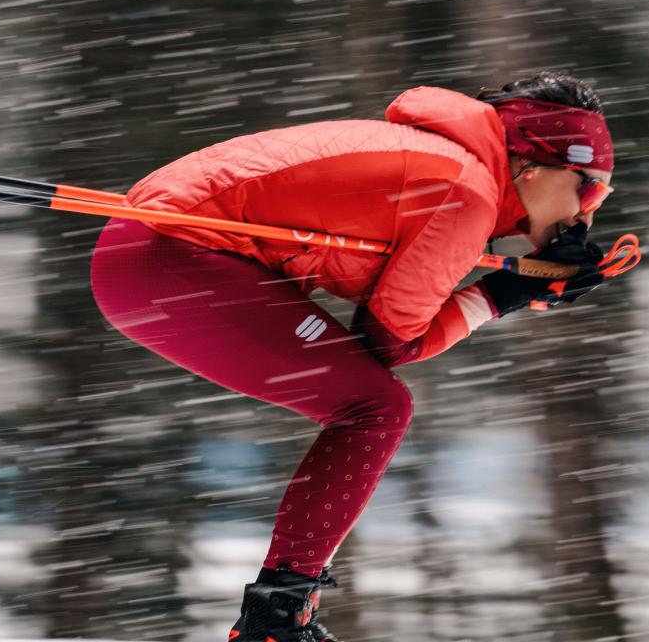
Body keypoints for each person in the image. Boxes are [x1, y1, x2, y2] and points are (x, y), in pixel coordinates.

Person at [89, 70, 615, 642]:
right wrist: (499, 296)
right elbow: (390, 344)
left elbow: (378, 334)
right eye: (588, 188)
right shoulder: (464, 190)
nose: (590, 213)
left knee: (370, 402)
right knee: (376, 408)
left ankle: (279, 613)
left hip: (153, 249)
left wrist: (510, 286)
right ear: (534, 167)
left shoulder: (449, 166)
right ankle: (277, 617)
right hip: (170, 256)